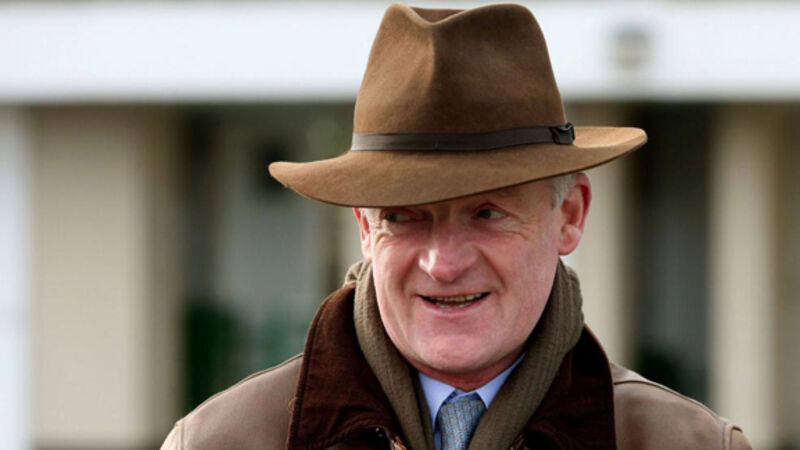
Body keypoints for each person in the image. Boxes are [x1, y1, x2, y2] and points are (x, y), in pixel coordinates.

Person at [162, 3, 752, 449]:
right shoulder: (222, 441)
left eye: (487, 213)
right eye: (404, 218)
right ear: (365, 228)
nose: (443, 264)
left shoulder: (687, 443)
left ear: (569, 216)